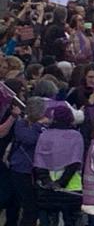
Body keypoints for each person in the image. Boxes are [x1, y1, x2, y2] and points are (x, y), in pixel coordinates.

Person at [34, 103, 83, 226]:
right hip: (71, 187)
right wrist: (62, 182)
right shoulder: (76, 136)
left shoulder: (44, 135)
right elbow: (75, 162)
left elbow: (39, 160)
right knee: (72, 221)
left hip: (47, 188)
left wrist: (47, 181)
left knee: (49, 221)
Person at [10, 96, 47, 226]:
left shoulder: (46, 126)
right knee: (30, 208)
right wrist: (38, 125)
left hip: (38, 171)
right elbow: (30, 139)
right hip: (21, 171)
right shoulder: (21, 124)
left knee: (37, 207)